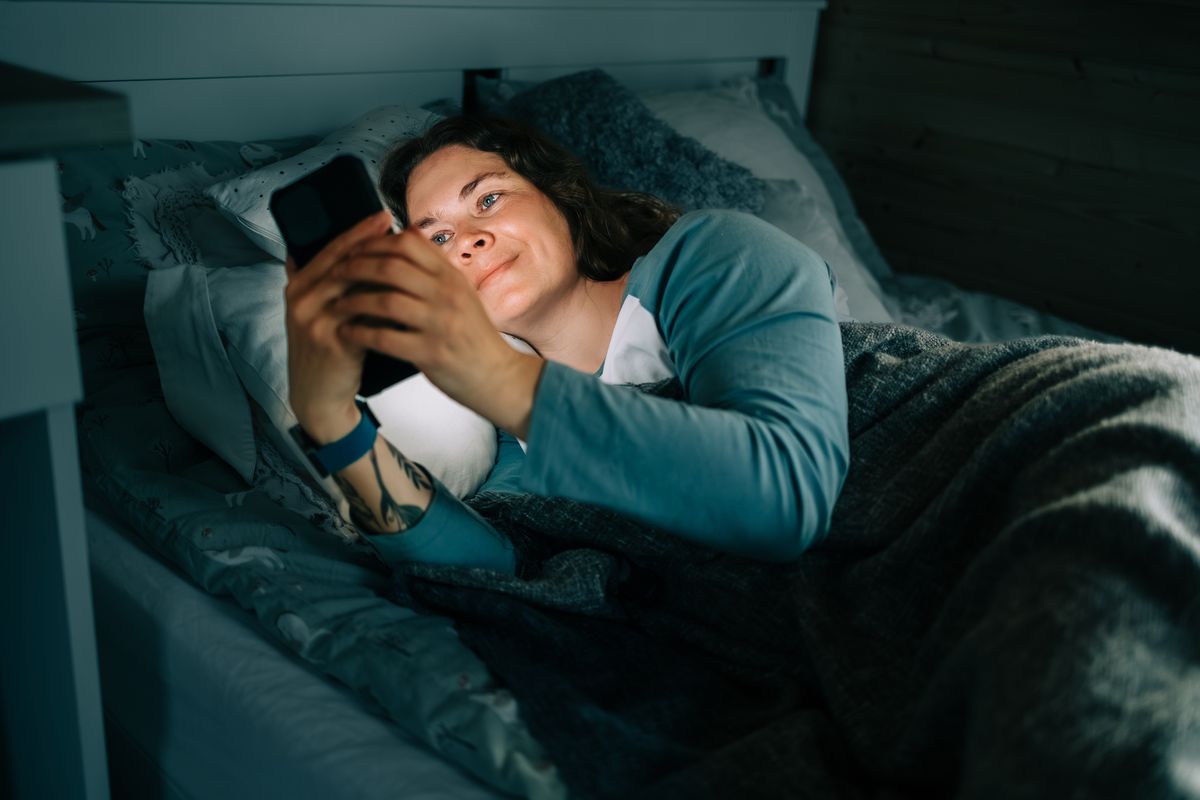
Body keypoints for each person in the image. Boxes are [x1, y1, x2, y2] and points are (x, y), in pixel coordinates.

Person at [283, 115, 850, 576]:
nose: (467, 242)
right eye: (437, 237)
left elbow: (784, 501)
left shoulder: (714, 253)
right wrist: (332, 424)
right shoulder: (513, 441)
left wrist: (488, 373)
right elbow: (500, 572)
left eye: (486, 201)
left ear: (561, 197)